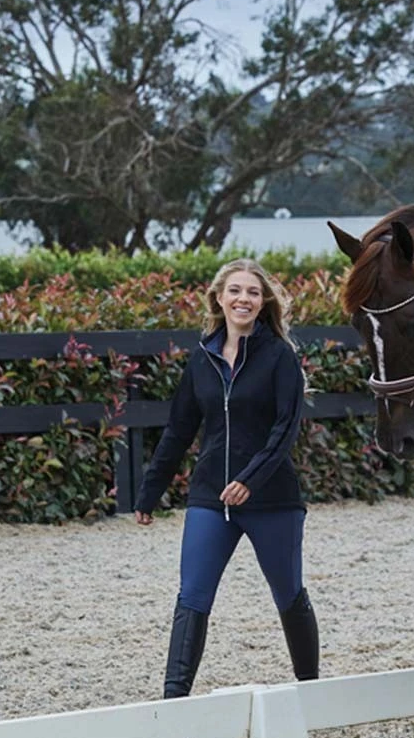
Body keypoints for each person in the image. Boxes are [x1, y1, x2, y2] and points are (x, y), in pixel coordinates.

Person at [134, 258, 318, 697]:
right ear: (219, 298)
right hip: (211, 497)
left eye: (253, 292)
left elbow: (285, 430)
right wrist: (149, 492)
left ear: (263, 301)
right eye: (235, 290)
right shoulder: (202, 359)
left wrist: (250, 479)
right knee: (192, 594)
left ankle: (312, 691)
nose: (243, 299)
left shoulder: (280, 357)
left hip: (272, 499)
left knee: (288, 592)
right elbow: (179, 431)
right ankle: (174, 700)